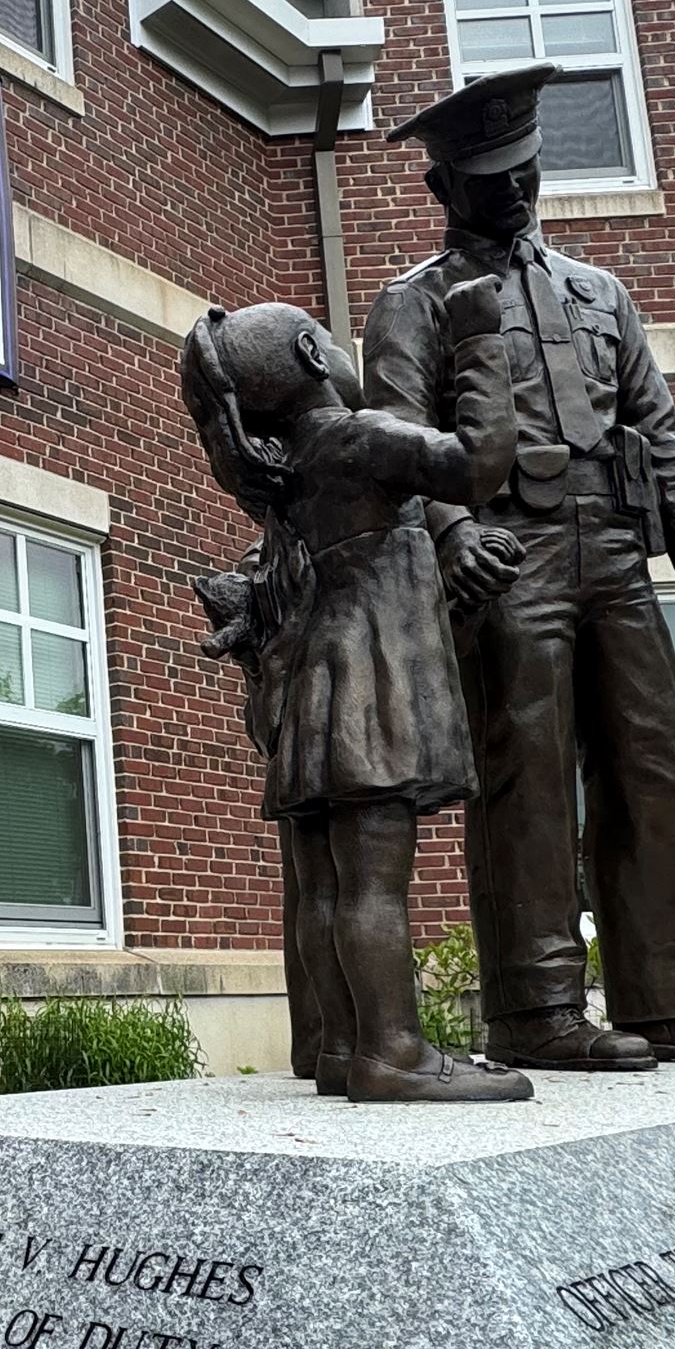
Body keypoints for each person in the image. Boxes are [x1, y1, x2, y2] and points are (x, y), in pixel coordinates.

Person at [363, 64, 675, 1070]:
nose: (515, 189)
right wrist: (453, 531)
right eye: (491, 176)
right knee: (526, 779)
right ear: (443, 186)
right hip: (508, 556)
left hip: (616, 550)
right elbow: (397, 440)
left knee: (653, 763)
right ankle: (534, 1011)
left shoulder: (598, 292)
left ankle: (672, 996)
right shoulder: (414, 303)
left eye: (525, 169)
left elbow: (658, 428)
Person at [182, 291, 531, 1104]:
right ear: (314, 356)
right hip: (367, 684)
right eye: (327, 340)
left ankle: (340, 1047)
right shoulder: (362, 437)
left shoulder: (282, 481)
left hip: (310, 695)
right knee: (375, 883)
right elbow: (479, 462)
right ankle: (395, 1052)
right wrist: (478, 342)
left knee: (324, 886)